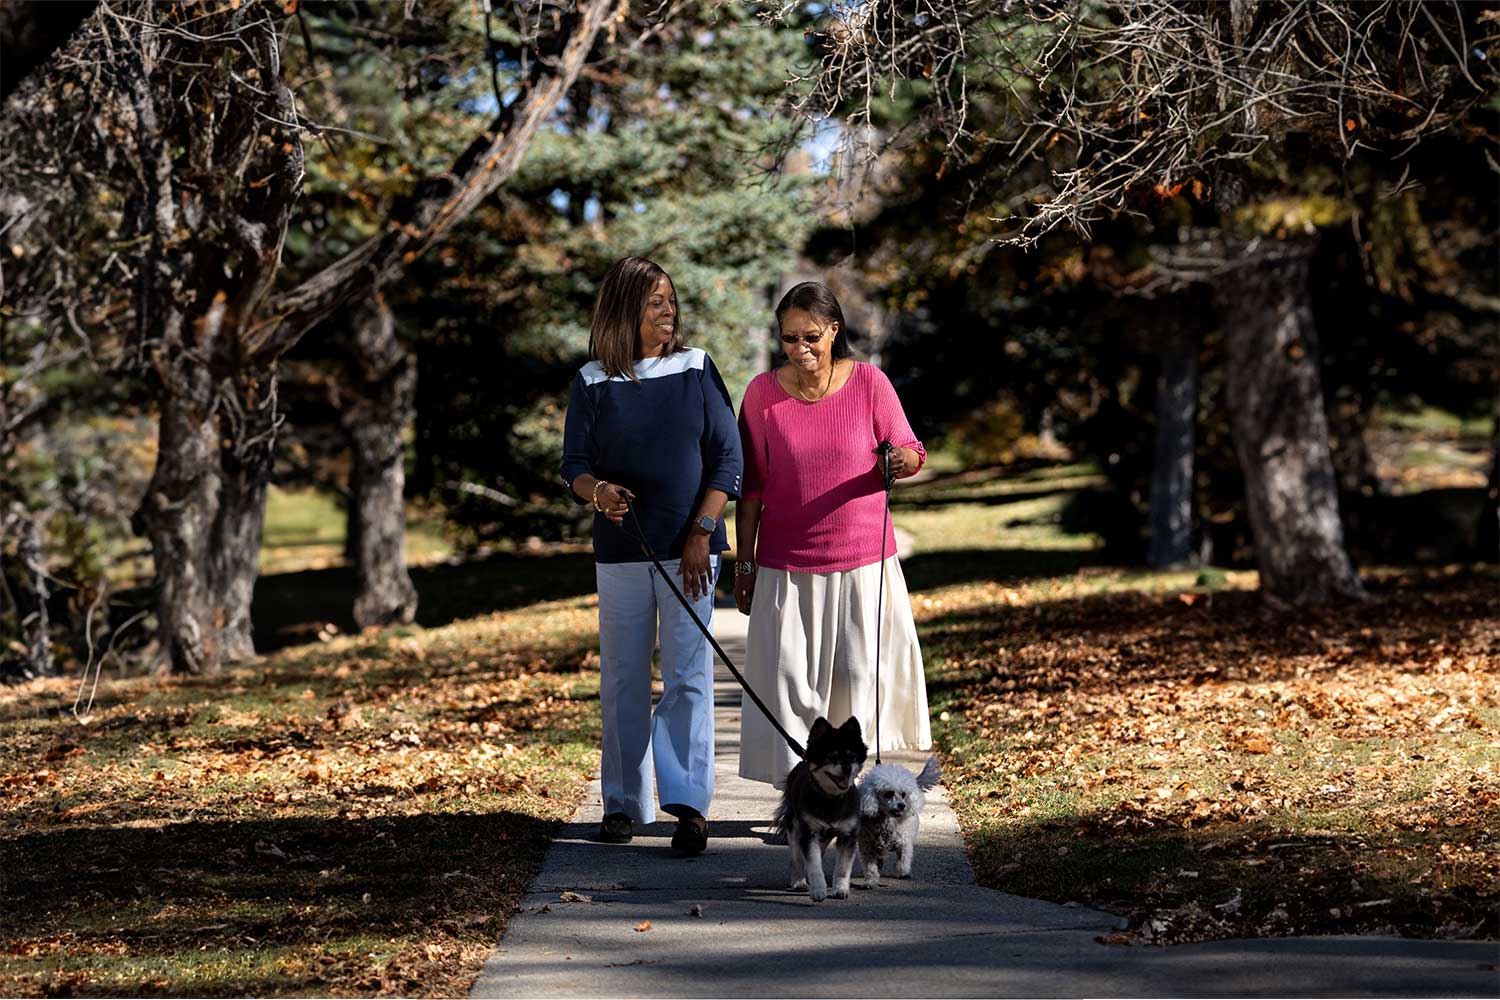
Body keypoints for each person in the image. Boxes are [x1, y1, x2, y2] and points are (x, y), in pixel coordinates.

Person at [560, 256, 743, 853]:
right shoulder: (592, 380)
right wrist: (599, 493)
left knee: (688, 677)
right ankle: (624, 805)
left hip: (690, 549)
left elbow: (727, 458)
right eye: (654, 300)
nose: (668, 310)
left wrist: (702, 529)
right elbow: (575, 467)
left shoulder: (695, 368)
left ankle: (689, 807)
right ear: (624, 308)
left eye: (670, 300)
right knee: (622, 679)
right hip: (620, 553)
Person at [734, 281, 931, 787]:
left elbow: (911, 450)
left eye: (811, 336)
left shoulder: (869, 382)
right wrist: (745, 563)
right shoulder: (761, 394)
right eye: (789, 338)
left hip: (864, 561)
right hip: (786, 564)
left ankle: (855, 789)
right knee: (788, 683)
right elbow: (751, 487)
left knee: (858, 678)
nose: (800, 348)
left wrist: (900, 460)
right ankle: (797, 793)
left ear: (834, 330)